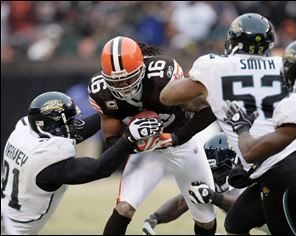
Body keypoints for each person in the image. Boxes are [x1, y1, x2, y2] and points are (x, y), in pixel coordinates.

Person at [159, 13, 296, 234]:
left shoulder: (214, 66)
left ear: (232, 41)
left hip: (279, 168)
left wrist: (206, 95)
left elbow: (167, 97)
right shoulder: (282, 63)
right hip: (278, 158)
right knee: (236, 224)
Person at [88, 36, 218, 235]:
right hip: (147, 152)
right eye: (117, 81)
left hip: (183, 146)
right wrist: (131, 142)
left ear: (142, 69)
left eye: (130, 78)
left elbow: (209, 109)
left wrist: (175, 138)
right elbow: (111, 141)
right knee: (124, 207)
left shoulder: (161, 78)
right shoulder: (103, 92)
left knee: (205, 218)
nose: (124, 86)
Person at [1, 91, 162, 235]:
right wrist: (130, 137)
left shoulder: (24, 131)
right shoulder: (46, 161)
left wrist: (115, 109)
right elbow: (99, 169)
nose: (74, 125)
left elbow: (77, 131)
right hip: (15, 229)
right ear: (51, 126)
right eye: (69, 122)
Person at [223, 39, 296, 235]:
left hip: (288, 174)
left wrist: (241, 128)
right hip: (283, 168)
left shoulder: (292, 103)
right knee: (235, 223)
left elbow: (252, 153)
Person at [142, 132, 241, 235]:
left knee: (234, 227)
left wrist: (213, 197)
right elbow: (181, 202)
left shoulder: (248, 175)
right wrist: (154, 218)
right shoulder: (214, 179)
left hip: (257, 218)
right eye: (211, 170)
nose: (214, 175)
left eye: (220, 169)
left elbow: (244, 209)